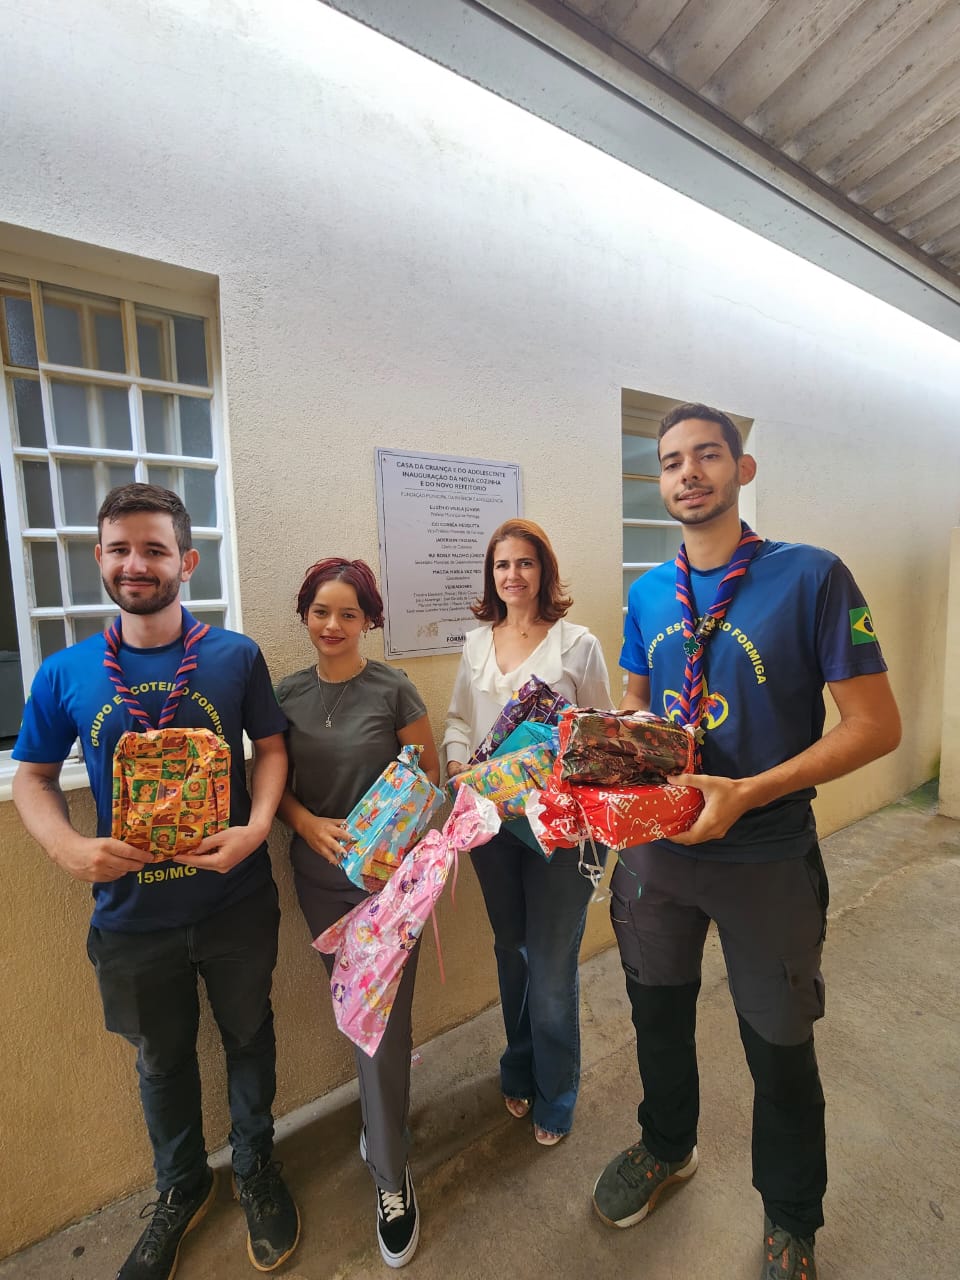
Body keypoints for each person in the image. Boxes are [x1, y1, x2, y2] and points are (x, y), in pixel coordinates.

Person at [591, 405, 901, 1280]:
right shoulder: (648, 592)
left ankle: (792, 1221)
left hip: (763, 856)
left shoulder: (812, 578)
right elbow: (642, 714)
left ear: (743, 469)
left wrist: (751, 791)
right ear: (660, 483)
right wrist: (589, 767)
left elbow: (876, 726)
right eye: (672, 462)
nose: (689, 472)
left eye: (708, 456)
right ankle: (667, 1145)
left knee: (780, 1052)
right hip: (657, 860)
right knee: (656, 1019)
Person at [11, 484, 299, 1280]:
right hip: (133, 918)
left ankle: (256, 1166)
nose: (136, 564)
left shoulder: (234, 656)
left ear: (187, 560)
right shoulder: (67, 671)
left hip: (235, 902)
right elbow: (32, 776)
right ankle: (181, 1186)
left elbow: (270, 748)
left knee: (250, 1037)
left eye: (155, 549)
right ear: (99, 557)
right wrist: (68, 850)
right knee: (161, 1060)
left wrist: (253, 828)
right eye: (120, 549)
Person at [275, 557, 439, 1270]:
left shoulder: (394, 691)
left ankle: (391, 1175)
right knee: (354, 1011)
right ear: (305, 616)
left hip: (386, 887)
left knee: (382, 1025)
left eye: (348, 614)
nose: (333, 626)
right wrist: (307, 823)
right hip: (317, 878)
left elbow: (426, 786)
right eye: (320, 612)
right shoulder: (282, 696)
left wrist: (388, 855)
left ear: (369, 620)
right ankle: (381, 1123)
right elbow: (271, 788)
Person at [443, 519, 612, 1146]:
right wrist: (459, 764)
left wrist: (557, 781)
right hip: (491, 824)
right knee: (509, 951)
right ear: (491, 575)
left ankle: (556, 1093)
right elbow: (459, 718)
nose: (513, 576)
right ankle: (517, 1067)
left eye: (525, 564)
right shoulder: (475, 643)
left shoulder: (577, 646)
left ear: (545, 571)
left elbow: (598, 737)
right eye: (502, 565)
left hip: (560, 832)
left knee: (549, 962)